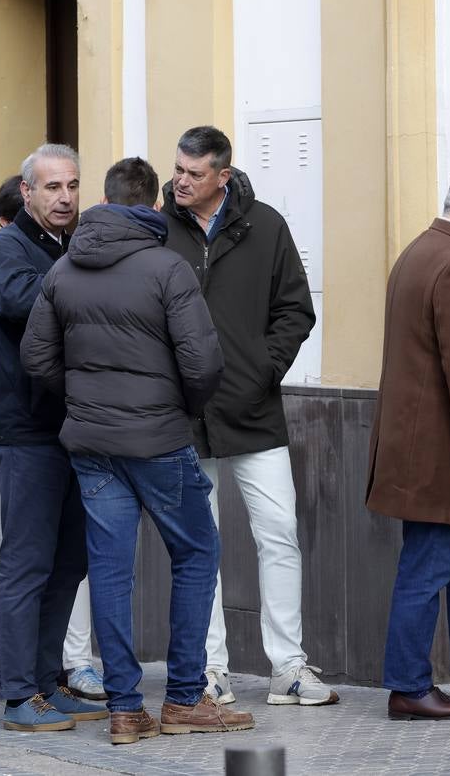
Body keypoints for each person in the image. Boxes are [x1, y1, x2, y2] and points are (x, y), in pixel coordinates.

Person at [23, 156, 252, 743]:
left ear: (103, 198)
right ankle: (181, 699)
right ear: (154, 206)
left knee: (109, 570)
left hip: (91, 443)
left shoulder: (64, 269)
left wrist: (84, 399)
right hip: (158, 440)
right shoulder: (167, 268)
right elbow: (204, 364)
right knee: (198, 555)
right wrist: (183, 410)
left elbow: (37, 359)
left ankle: (125, 707)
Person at [161, 125, 331, 707]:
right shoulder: (158, 229)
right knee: (199, 545)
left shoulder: (266, 227)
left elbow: (295, 309)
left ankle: (288, 667)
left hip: (255, 413)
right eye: (177, 169)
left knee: (279, 534)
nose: (180, 180)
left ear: (223, 176)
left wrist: (262, 370)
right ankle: (210, 669)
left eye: (194, 172)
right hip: (183, 415)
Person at [0, 176, 104, 706]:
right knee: (25, 562)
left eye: (73, 186)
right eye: (53, 187)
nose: (65, 197)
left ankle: (45, 680)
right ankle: (18, 694)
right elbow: (18, 301)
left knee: (67, 564)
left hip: (73, 426)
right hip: (23, 429)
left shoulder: (71, 244)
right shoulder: (4, 247)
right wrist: (85, 286)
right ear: (28, 191)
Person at [366, 173, 450, 720]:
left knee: (436, 566)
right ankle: (408, 685)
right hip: (436, 457)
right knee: (426, 569)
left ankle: (413, 683)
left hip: (420, 449)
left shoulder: (421, 250)